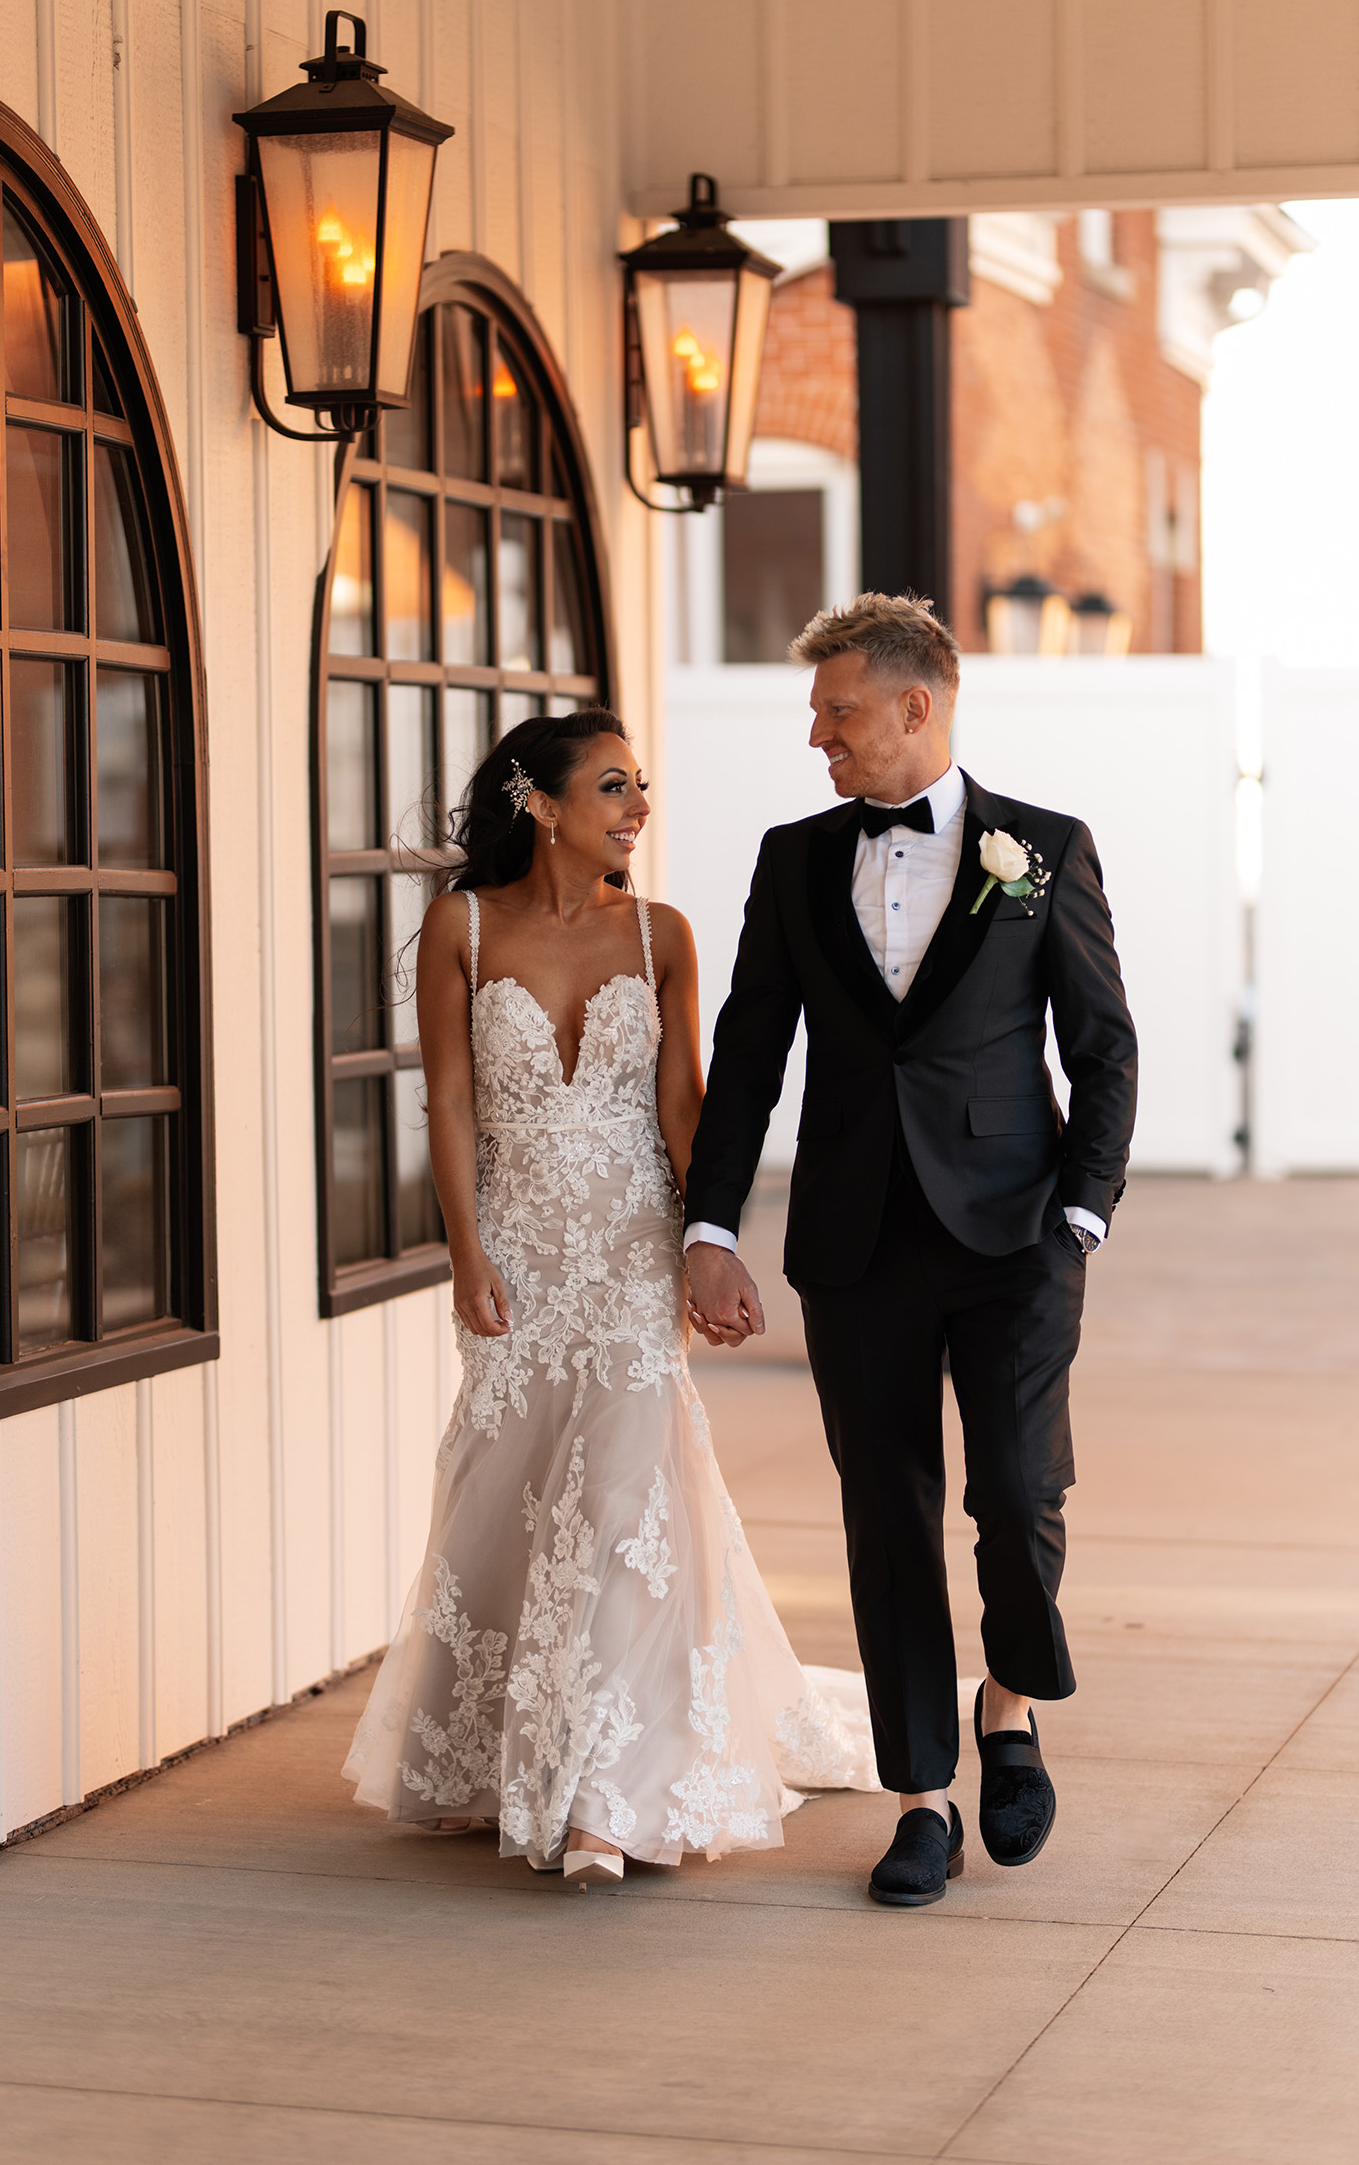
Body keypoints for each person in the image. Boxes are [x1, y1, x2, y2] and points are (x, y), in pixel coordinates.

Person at [343, 708, 878, 1885]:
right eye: (613, 787)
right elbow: (446, 1105)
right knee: (508, 1488)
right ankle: (494, 1754)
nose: (638, 807)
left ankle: (607, 1795)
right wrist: (464, 1251)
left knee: (631, 1509)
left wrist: (712, 1245)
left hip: (634, 1252)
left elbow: (684, 1109)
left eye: (642, 788)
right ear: (542, 804)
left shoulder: (664, 937)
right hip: (523, 1250)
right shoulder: (461, 928)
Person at [683, 594, 1137, 1908]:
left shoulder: (1043, 849)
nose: (814, 736)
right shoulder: (794, 857)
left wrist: (1083, 1212)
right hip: (856, 1240)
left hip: (1016, 1238)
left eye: (834, 712)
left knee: (1017, 1492)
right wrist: (713, 1225)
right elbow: (753, 1053)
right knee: (886, 1520)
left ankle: (1009, 1696)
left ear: (913, 706)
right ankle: (921, 1796)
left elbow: (1103, 1045)